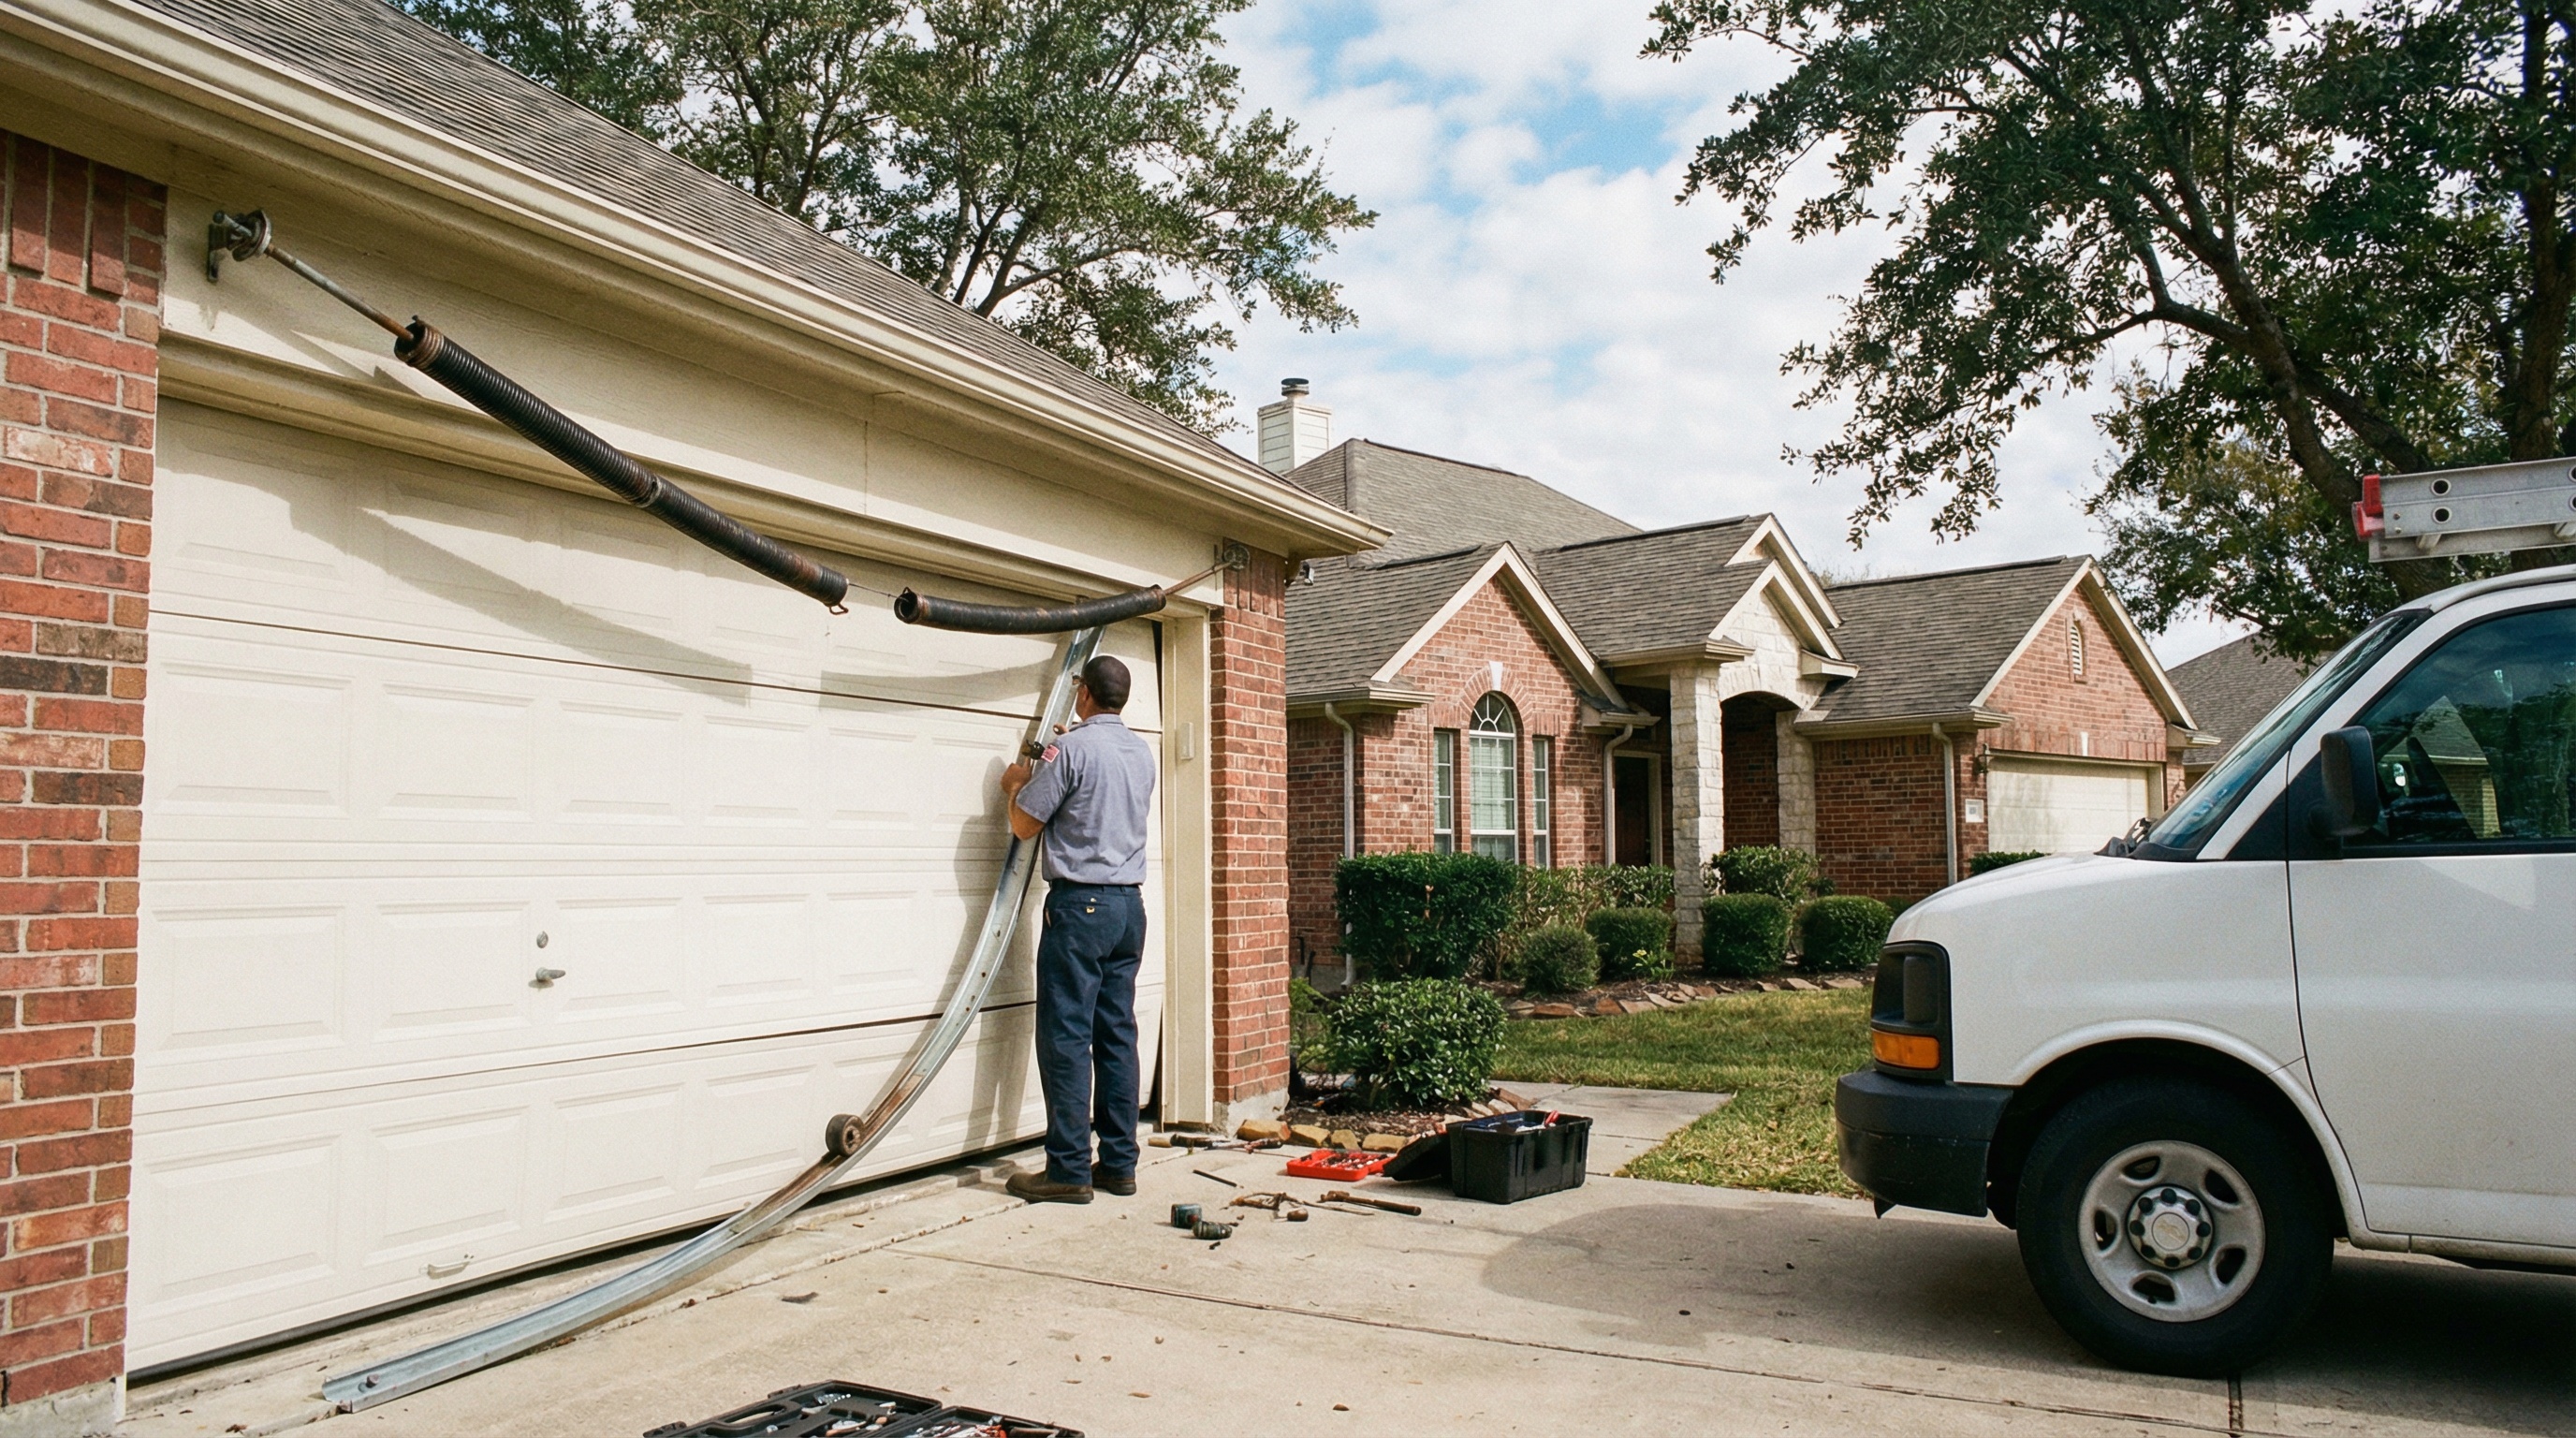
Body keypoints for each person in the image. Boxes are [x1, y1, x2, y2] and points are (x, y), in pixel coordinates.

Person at [998, 654, 1157, 1202]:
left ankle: (1067, 1169)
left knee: (1066, 1036)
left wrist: (1015, 785)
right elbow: (1099, 791)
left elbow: (1025, 824)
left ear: (1084, 693)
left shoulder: (1069, 751)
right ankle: (1118, 1165)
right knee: (1117, 1034)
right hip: (1128, 909)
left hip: (1080, 908)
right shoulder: (1141, 751)